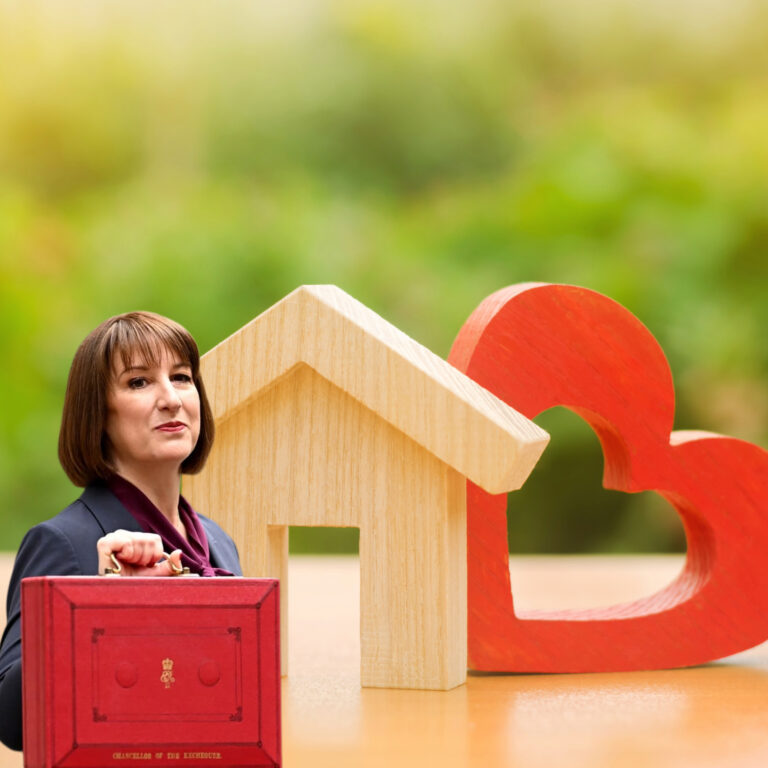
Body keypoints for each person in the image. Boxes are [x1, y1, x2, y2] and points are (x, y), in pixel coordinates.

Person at [0, 312, 242, 751]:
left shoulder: (219, 543)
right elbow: (11, 720)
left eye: (182, 377)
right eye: (139, 382)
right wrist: (104, 602)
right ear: (99, 415)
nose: (171, 399)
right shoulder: (64, 541)